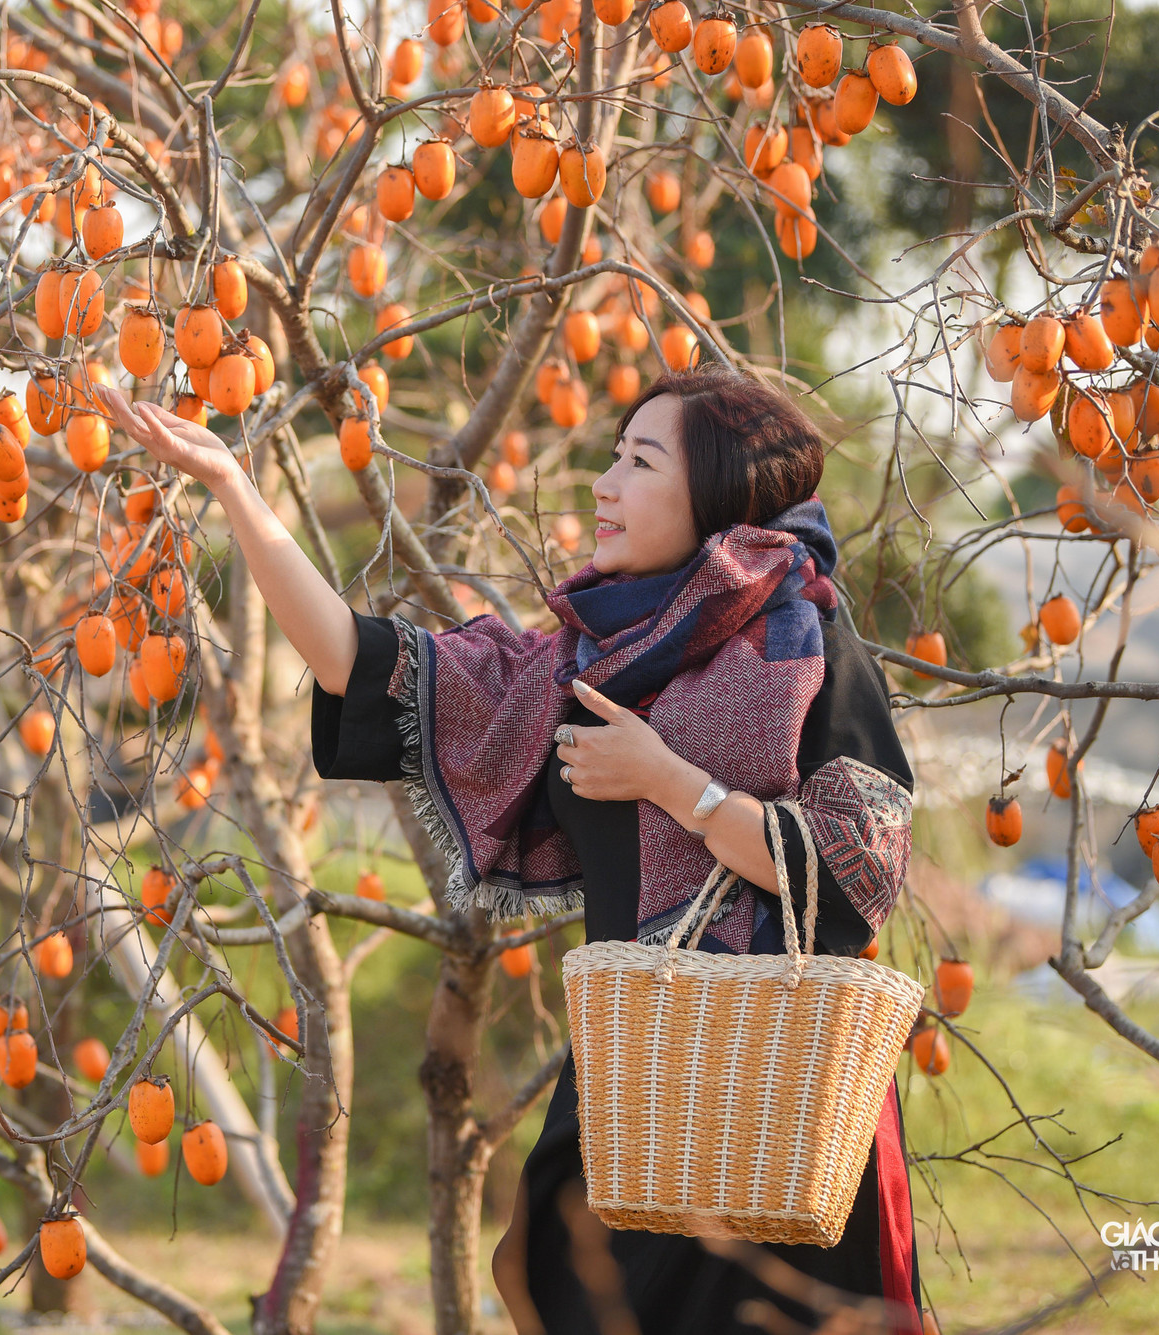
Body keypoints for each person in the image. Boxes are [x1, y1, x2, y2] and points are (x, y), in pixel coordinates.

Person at [95, 366, 924, 1334]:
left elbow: (859, 871)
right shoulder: (573, 667)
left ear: (715, 493)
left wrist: (672, 782)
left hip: (783, 1104)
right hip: (633, 1096)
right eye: (610, 457)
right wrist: (233, 487)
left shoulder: (807, 640)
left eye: (640, 463)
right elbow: (353, 658)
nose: (603, 485)